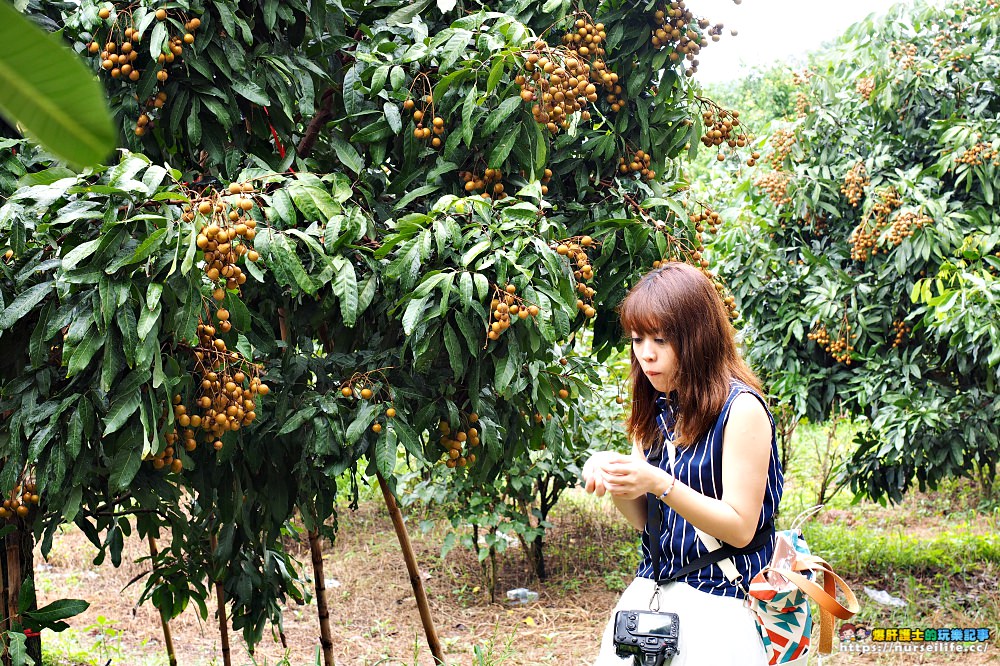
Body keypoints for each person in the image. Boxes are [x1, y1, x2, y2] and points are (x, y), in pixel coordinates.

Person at [583, 262, 783, 666]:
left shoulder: (740, 410)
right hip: (655, 597)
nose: (646, 354)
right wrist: (615, 479)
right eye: (638, 339)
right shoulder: (656, 407)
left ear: (697, 339)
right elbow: (646, 522)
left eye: (660, 339)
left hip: (722, 598)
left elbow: (741, 528)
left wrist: (658, 482)